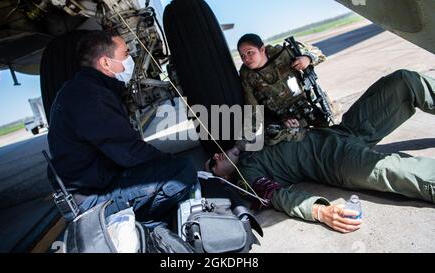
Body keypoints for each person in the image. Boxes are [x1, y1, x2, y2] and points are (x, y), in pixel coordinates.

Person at [206, 69, 435, 233]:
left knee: (403, 82)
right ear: (225, 177)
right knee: (396, 170)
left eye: (214, 155)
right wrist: (320, 212)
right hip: (336, 161)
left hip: (344, 131)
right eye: (213, 164)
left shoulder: (250, 144)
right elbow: (278, 197)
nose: (216, 156)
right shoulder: (248, 174)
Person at [48, 30, 196, 229]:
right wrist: (172, 163)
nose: (130, 60)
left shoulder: (77, 89)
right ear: (106, 63)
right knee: (182, 171)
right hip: (92, 200)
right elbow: (130, 153)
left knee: (165, 169)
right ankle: (149, 229)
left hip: (94, 185)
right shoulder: (92, 97)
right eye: (126, 54)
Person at [237, 33, 339, 145]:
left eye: (250, 52)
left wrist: (307, 58)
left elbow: (318, 53)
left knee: (331, 137)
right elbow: (253, 109)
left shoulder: (283, 53)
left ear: (262, 49)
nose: (246, 58)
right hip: (285, 122)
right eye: (242, 56)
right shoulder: (247, 76)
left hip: (310, 108)